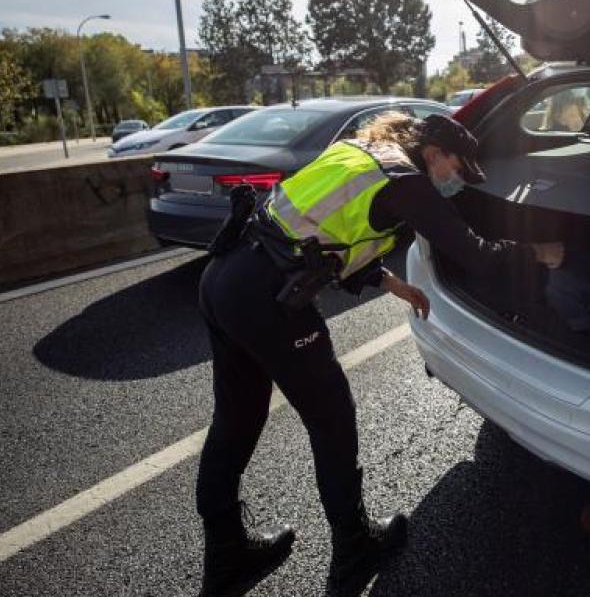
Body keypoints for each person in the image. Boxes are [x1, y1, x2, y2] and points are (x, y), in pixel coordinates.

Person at [194, 112, 563, 593]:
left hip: (224, 278)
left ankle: (226, 559)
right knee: (332, 419)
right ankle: (355, 547)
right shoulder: (407, 181)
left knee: (235, 421)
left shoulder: (360, 153)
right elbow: (474, 254)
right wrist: (540, 253)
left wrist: (389, 281)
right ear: (432, 153)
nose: (458, 180)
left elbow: (319, 229)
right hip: (265, 299)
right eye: (456, 168)